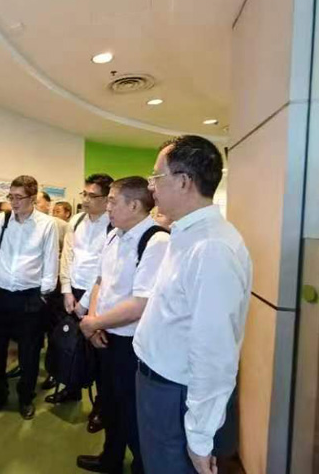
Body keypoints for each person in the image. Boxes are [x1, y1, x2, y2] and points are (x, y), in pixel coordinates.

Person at [134, 135, 252, 474]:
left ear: (184, 181)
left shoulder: (212, 248)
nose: (151, 187)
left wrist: (200, 437)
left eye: (157, 177)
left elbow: (214, 352)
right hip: (159, 384)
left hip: (175, 394)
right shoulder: (186, 234)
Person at [76, 177, 170, 474]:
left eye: (113, 201)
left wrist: (94, 322)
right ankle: (111, 459)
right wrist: (94, 322)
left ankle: (141, 466)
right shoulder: (114, 235)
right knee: (110, 405)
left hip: (131, 345)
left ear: (134, 205)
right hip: (104, 335)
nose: (108, 207)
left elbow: (141, 303)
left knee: (132, 413)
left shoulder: (156, 241)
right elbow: (100, 281)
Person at [0, 176, 59, 420]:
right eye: (10, 196)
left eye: (19, 197)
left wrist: (44, 293)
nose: (13, 202)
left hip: (30, 298)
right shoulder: (1, 220)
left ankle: (25, 398)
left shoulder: (47, 224)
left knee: (29, 353)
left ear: (33, 198)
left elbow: (50, 260)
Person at [48, 174, 113, 428]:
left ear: (107, 199)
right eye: (84, 194)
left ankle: (101, 406)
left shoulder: (114, 226)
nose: (85, 199)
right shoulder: (76, 221)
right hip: (71, 292)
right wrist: (66, 290)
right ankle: (71, 387)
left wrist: (85, 302)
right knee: (69, 345)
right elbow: (67, 256)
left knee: (99, 353)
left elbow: (106, 268)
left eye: (92, 196)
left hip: (98, 296)